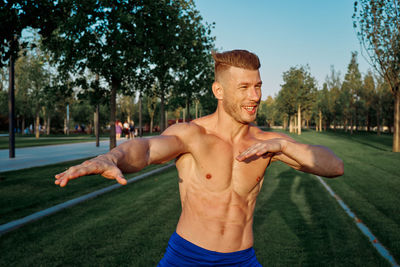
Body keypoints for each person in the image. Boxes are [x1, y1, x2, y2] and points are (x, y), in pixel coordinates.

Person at [55, 50, 343, 266]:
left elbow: (334, 165)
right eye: (244, 88)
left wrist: (284, 146)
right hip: (187, 257)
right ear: (218, 90)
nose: (255, 96)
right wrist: (113, 157)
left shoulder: (267, 143)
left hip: (242, 259)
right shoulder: (192, 135)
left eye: (258, 86)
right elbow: (145, 149)